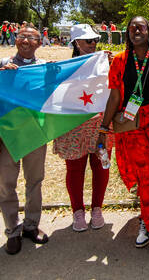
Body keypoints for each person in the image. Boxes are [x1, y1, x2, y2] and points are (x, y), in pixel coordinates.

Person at [98, 16, 149, 259]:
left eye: (141, 27)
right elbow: (113, 98)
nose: (135, 31)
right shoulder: (120, 61)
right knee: (145, 176)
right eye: (131, 28)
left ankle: (146, 218)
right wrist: (103, 130)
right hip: (131, 126)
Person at [0, 26, 51, 254]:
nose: (26, 40)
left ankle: (31, 226)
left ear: (39, 42)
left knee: (34, 181)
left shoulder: (44, 68)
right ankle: (12, 231)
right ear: (16, 40)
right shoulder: (1, 65)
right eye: (22, 36)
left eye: (31, 37)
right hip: (7, 134)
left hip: (34, 133)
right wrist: (0, 78)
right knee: (7, 184)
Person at [52, 24, 114, 234]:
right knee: (75, 170)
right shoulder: (63, 67)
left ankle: (97, 209)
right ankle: (77, 211)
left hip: (101, 125)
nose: (93, 44)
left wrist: (114, 64)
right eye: (88, 41)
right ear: (75, 43)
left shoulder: (105, 62)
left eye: (95, 40)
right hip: (73, 126)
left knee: (101, 167)